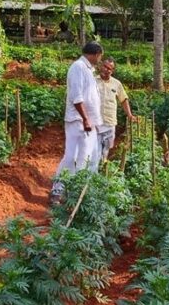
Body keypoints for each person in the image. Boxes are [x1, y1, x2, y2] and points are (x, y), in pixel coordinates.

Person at [52, 41, 104, 203]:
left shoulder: (88, 69)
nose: (100, 59)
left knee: (90, 157)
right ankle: (57, 190)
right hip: (78, 121)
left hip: (88, 122)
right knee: (72, 156)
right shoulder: (78, 68)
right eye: (100, 55)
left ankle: (83, 192)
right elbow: (77, 96)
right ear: (95, 54)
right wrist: (86, 119)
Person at [96, 58, 136, 162]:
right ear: (101, 66)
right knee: (95, 148)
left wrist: (130, 115)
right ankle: (95, 168)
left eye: (110, 68)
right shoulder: (92, 81)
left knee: (107, 147)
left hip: (110, 121)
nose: (106, 70)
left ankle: (103, 164)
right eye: (105, 66)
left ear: (112, 71)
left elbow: (123, 100)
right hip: (95, 121)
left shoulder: (116, 84)